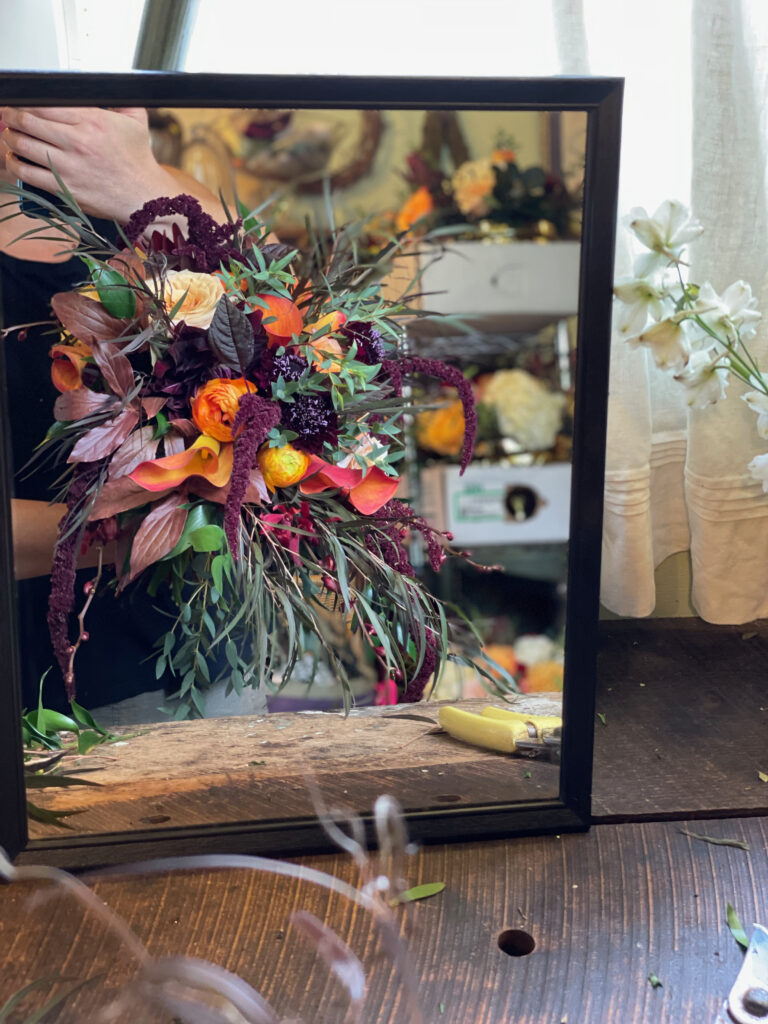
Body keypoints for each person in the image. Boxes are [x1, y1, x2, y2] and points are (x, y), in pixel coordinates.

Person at [0, 105, 255, 721]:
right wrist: (155, 529)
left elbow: (294, 316)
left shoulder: (135, 192)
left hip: (202, 664)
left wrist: (142, 182)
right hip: (45, 696)